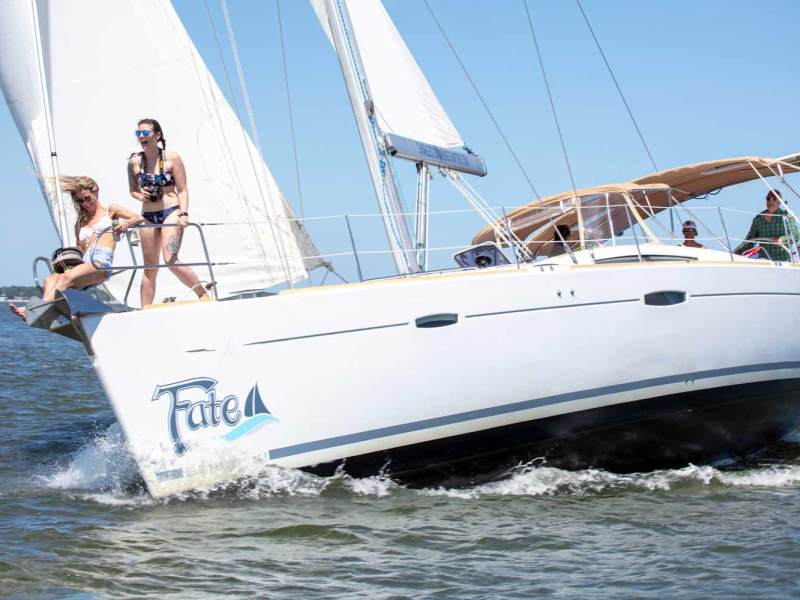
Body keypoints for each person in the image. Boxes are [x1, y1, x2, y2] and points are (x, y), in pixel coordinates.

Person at [9, 176, 143, 320]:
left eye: (87, 198)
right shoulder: (81, 222)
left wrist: (126, 224)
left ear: (95, 192)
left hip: (100, 264)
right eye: (80, 201)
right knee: (51, 279)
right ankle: (43, 311)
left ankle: (34, 311)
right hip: (85, 264)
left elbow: (138, 218)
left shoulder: (111, 211)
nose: (85, 203)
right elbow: (79, 251)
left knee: (65, 279)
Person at [127, 118, 208, 305]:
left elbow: (183, 189)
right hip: (147, 215)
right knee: (150, 268)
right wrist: (140, 196)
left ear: (157, 135)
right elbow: (132, 190)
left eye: (145, 133)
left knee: (170, 259)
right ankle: (144, 309)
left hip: (170, 209)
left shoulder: (172, 158)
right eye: (138, 134)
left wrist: (184, 213)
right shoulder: (134, 161)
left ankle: (203, 294)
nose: (141, 137)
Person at [734, 190, 799, 261]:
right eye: (768, 199)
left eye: (774, 199)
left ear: (779, 201)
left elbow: (796, 236)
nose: (770, 201)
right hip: (765, 261)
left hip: (784, 261)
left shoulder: (787, 217)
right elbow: (749, 240)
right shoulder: (758, 219)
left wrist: (781, 239)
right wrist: (735, 254)